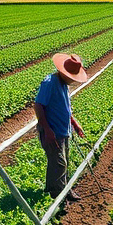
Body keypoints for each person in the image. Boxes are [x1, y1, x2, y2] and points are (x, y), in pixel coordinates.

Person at [34, 53, 88, 202]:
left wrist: (75, 124)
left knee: (63, 163)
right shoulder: (50, 82)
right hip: (52, 131)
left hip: (63, 131)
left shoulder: (63, 85)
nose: (72, 80)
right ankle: (57, 196)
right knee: (58, 163)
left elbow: (65, 108)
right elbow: (38, 105)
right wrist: (47, 129)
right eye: (72, 77)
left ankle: (63, 189)